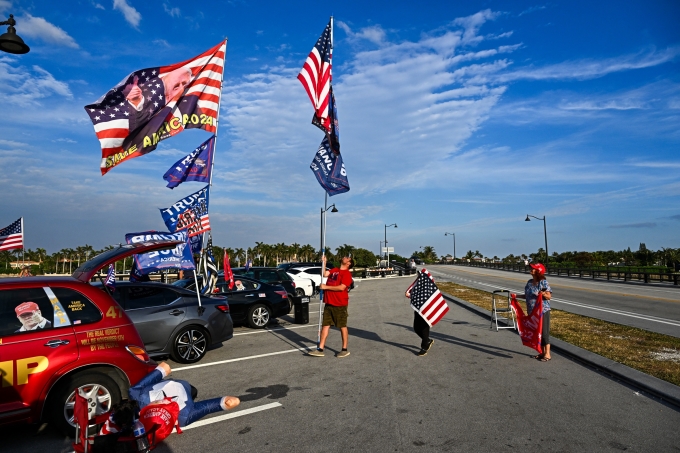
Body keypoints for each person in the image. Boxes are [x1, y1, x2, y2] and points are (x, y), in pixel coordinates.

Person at [128, 362, 240, 429]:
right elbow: (217, 405)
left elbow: (164, 367)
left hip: (144, 399)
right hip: (143, 404)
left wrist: (162, 371)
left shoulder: (186, 414)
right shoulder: (185, 415)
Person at [308, 254, 353, 358]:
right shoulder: (335, 270)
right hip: (329, 302)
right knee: (325, 325)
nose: (345, 257)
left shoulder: (346, 274)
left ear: (349, 264)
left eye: (347, 258)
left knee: (342, 326)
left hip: (340, 303)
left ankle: (344, 349)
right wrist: (324, 262)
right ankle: (320, 349)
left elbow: (342, 288)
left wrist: (325, 287)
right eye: (346, 256)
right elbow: (324, 274)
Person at [519, 263, 553, 361]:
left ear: (538, 271)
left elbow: (549, 296)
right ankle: (541, 352)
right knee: (537, 332)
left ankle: (547, 354)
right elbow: (527, 296)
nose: (531, 269)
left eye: (533, 268)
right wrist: (516, 296)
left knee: (544, 332)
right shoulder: (529, 282)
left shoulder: (543, 282)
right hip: (532, 312)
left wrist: (542, 294)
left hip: (543, 310)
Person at [405, 276, 434, 357]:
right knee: (416, 328)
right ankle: (428, 341)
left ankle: (424, 347)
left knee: (424, 329)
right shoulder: (419, 286)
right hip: (418, 309)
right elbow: (417, 296)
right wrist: (410, 294)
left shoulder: (428, 287)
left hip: (425, 311)